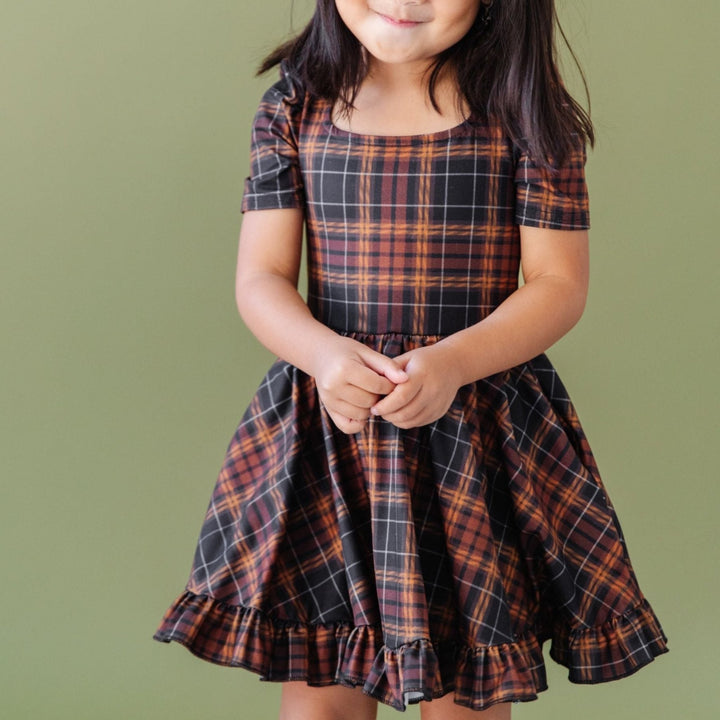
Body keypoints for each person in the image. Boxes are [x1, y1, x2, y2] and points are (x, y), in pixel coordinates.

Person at [154, 1, 668, 717]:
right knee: (321, 688)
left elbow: (558, 285)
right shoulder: (293, 107)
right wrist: (325, 357)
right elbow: (261, 278)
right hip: (333, 440)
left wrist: (454, 364)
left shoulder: (523, 113)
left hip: (474, 439)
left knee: (466, 693)